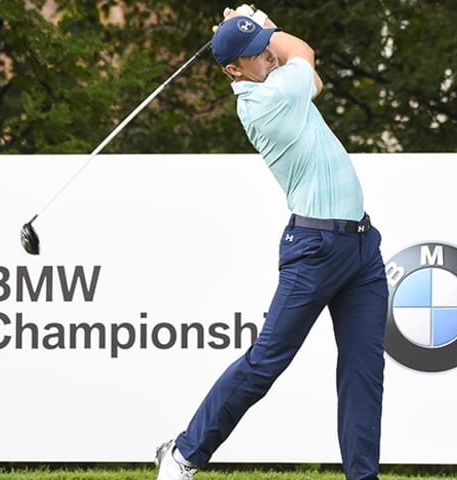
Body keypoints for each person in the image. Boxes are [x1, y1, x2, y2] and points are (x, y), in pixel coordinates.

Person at [154, 6, 389, 480]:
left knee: (364, 374)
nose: (267, 53)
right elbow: (302, 52)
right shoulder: (263, 101)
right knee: (265, 363)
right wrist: (261, 20)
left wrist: (254, 28)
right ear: (233, 71)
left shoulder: (283, 86)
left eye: (263, 46)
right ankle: (183, 454)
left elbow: (312, 78)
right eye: (254, 53)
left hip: (362, 249)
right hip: (315, 248)